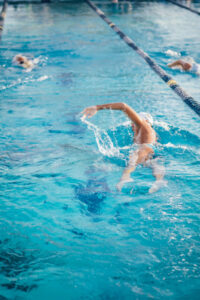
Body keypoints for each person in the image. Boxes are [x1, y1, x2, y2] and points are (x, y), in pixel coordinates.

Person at [81, 102, 166, 193]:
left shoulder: (142, 125)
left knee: (134, 156)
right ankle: (160, 180)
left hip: (144, 149)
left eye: (133, 121)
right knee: (154, 163)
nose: (132, 124)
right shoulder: (149, 132)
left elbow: (123, 106)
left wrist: (97, 107)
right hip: (151, 151)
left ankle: (125, 177)